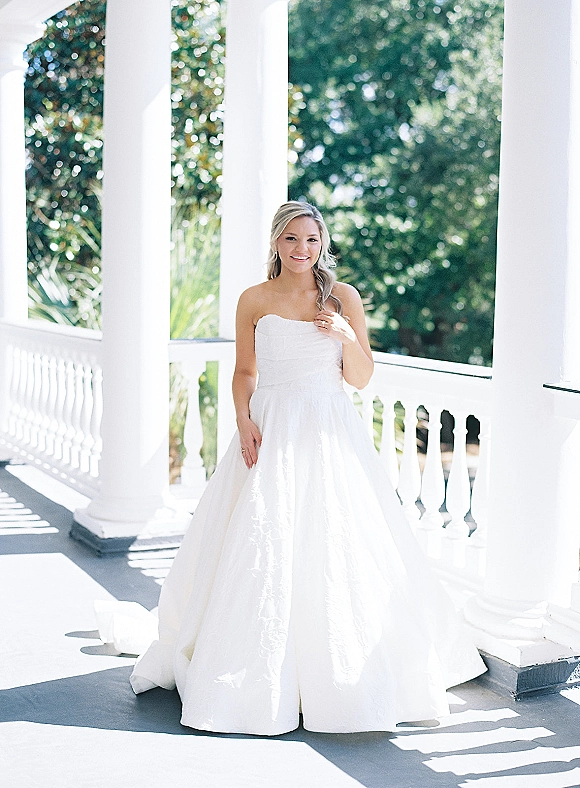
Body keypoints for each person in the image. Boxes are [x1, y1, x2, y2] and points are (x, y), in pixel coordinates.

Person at [127, 201, 486, 735]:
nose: (302, 250)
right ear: (276, 241)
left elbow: (362, 377)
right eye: (292, 239)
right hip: (269, 427)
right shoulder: (254, 299)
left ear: (323, 244)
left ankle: (332, 674)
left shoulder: (342, 297)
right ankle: (257, 672)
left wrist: (343, 333)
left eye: (312, 240)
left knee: (334, 544)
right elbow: (244, 371)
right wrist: (242, 418)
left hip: (326, 428)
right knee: (259, 544)